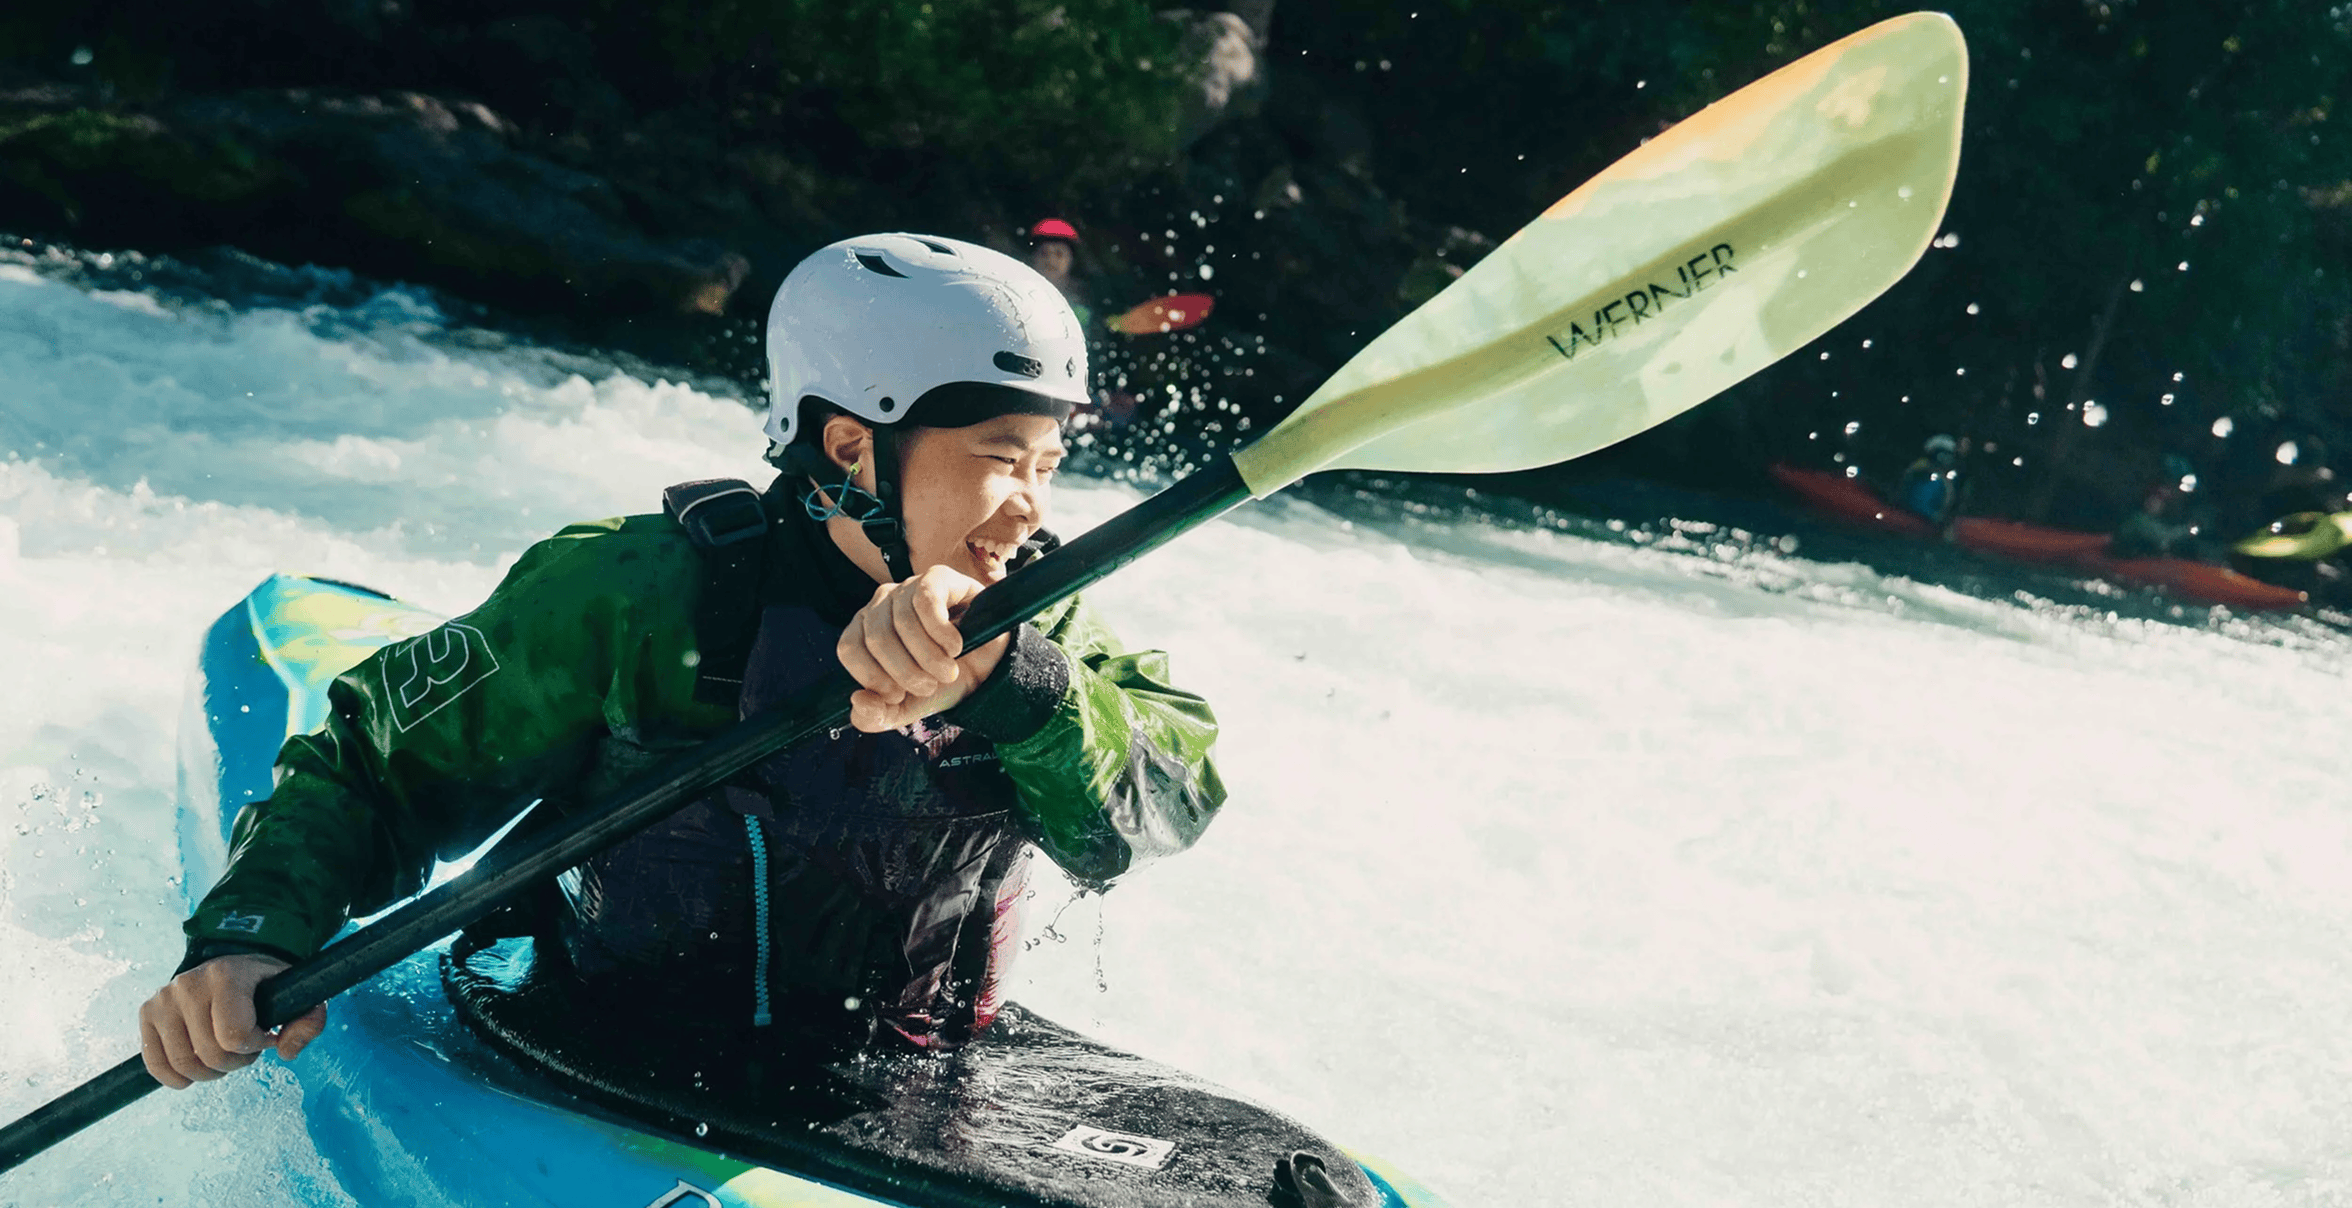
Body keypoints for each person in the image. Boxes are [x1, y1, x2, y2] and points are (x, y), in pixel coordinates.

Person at [136, 233, 1228, 1088]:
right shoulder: (640, 593)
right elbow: (374, 775)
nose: (1033, 509)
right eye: (1001, 461)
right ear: (852, 446)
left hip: (927, 1077)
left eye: (1048, 463)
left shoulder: (1042, 622)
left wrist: (1013, 684)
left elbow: (1170, 804)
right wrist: (252, 934)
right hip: (608, 1042)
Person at [1895, 434, 1966, 527]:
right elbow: (1915, 503)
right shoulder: (1922, 472)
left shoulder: (1946, 477)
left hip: (1929, 524)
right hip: (1913, 521)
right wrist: (1935, 516)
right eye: (1943, 454)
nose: (1947, 458)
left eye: (1950, 455)